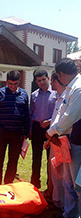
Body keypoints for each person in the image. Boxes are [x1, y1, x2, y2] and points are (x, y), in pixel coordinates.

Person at [45, 58, 81, 218]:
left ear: (60, 74)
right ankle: (71, 214)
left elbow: (69, 117)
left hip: (77, 141)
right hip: (67, 140)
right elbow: (61, 113)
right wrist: (54, 132)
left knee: (78, 183)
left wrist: (51, 132)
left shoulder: (78, 88)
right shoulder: (70, 88)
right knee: (68, 180)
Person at [0, 70, 29, 185]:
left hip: (17, 133)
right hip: (2, 132)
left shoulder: (24, 95)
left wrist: (26, 133)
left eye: (15, 84)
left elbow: (27, 114)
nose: (12, 86)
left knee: (13, 160)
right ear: (6, 82)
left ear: (19, 82)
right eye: (10, 84)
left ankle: (8, 183)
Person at [30, 69, 56, 190]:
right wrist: (30, 130)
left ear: (48, 78)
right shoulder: (34, 95)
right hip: (36, 128)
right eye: (39, 81)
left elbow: (59, 113)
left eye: (44, 79)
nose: (42, 83)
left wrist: (49, 121)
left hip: (50, 129)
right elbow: (31, 113)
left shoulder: (56, 94)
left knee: (50, 159)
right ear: (36, 81)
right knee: (36, 157)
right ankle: (35, 183)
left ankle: (50, 185)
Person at [46, 72, 67, 210]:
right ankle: (56, 200)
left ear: (56, 81)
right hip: (53, 140)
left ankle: (62, 204)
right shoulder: (59, 98)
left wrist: (51, 135)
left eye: (52, 81)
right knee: (54, 172)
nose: (50, 85)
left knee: (61, 174)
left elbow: (65, 121)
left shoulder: (66, 97)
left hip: (60, 141)